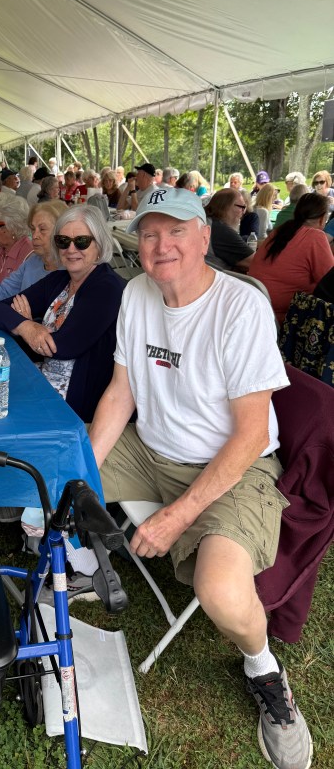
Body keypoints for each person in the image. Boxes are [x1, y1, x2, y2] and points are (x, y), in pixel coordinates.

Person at [89, 186, 312, 769]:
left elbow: (249, 435)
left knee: (220, 593)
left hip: (234, 466)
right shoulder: (137, 293)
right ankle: (83, 565)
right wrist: (79, 470)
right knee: (55, 478)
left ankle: (264, 669)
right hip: (150, 448)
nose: (161, 245)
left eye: (176, 231)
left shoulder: (240, 306)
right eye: (149, 233)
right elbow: (121, 392)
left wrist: (177, 514)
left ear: (205, 236)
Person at [0, 205, 125, 422]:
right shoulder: (59, 279)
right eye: (63, 241)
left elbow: (63, 347)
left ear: (99, 245)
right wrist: (28, 326)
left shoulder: (107, 287)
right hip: (43, 383)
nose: (71, 249)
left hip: (74, 405)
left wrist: (26, 327)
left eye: (81, 241)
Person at [248, 193, 334, 324]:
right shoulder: (315, 236)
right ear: (323, 219)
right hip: (289, 319)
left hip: (258, 309)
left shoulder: (279, 231)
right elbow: (329, 284)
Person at [0, 200, 66, 303]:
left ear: (61, 232)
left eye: (42, 229)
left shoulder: (69, 270)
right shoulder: (32, 262)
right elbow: (3, 291)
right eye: (33, 229)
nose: (34, 235)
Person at [204, 189, 254, 271]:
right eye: (242, 207)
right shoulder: (221, 231)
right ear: (225, 207)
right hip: (216, 277)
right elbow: (255, 262)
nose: (244, 212)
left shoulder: (205, 221)